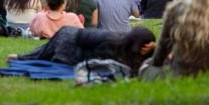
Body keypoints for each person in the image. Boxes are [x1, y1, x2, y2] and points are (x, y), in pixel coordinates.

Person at [12, 26, 156, 75]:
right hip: (69, 40)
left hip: (75, 40)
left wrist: (157, 48)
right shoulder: (110, 41)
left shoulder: (126, 50)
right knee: (41, 56)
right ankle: (17, 58)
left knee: (40, 54)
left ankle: (18, 58)